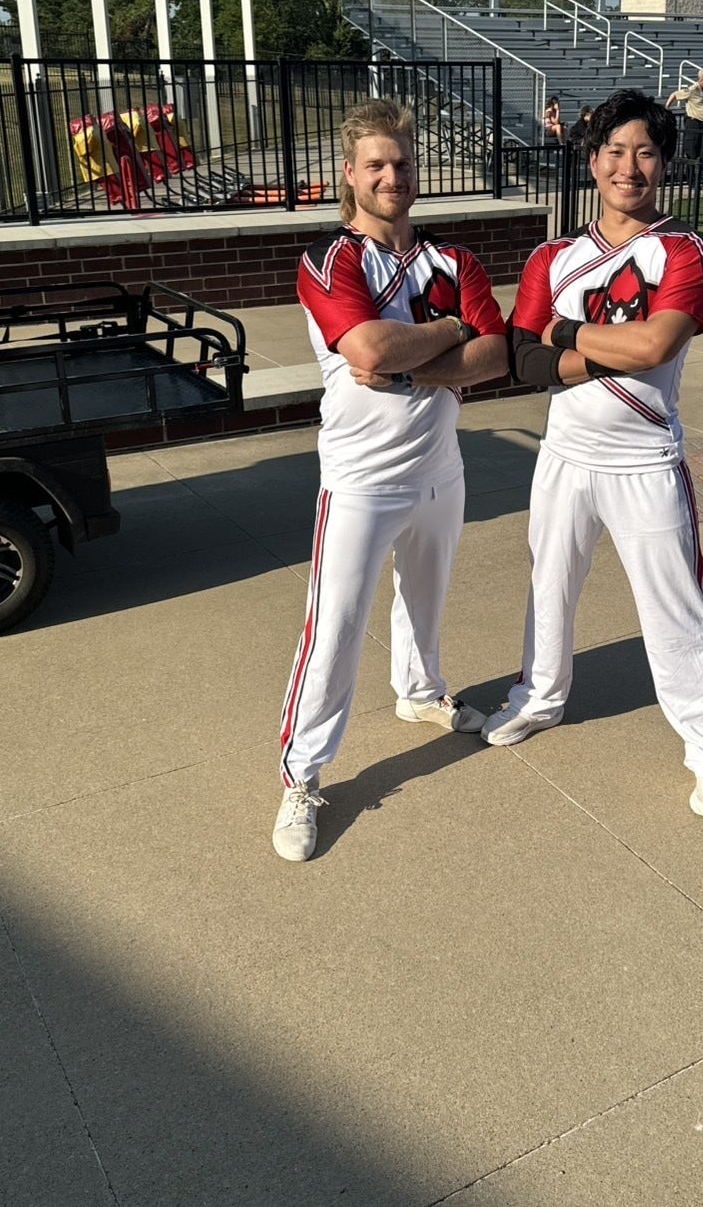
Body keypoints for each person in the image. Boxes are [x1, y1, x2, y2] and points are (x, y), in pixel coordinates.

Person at [481, 89, 703, 819]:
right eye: (616, 151)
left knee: (677, 609)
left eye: (646, 152)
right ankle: (539, 697)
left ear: (665, 163)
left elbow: (656, 345)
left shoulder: (687, 249)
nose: (630, 167)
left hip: (645, 460)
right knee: (549, 586)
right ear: (592, 160)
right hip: (564, 454)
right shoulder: (552, 255)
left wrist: (567, 333)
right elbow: (522, 362)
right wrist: (606, 347)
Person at [273, 99, 509, 861]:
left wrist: (419, 359)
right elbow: (369, 349)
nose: (391, 176)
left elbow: (498, 355)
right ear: (350, 173)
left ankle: (419, 692)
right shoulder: (331, 259)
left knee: (427, 603)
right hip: (361, 480)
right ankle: (301, 775)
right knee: (334, 631)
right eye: (375, 164)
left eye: (401, 162)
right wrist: (450, 332)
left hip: (440, 468)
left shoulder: (456, 261)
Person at [665, 67, 703, 183]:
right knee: (692, 154)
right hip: (693, 123)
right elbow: (675, 94)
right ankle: (691, 181)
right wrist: (666, 108)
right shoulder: (693, 89)